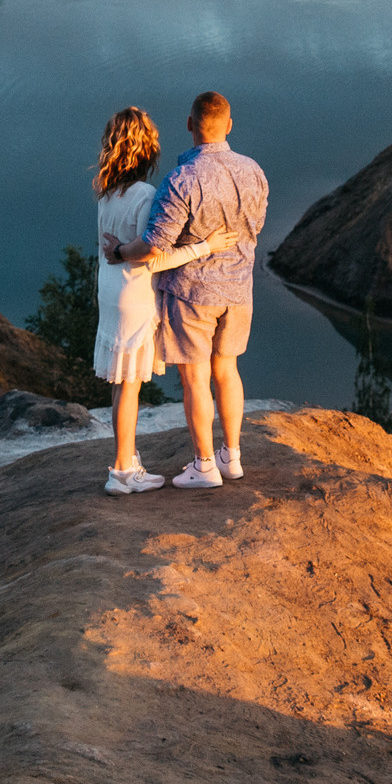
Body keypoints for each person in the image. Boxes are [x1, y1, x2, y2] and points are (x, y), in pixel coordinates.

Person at [91, 106, 239, 495]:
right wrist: (205, 246)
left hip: (109, 293)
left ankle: (126, 461)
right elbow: (153, 254)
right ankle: (123, 471)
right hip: (134, 296)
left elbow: (111, 249)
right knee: (132, 386)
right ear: (147, 149)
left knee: (123, 384)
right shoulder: (145, 194)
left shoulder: (107, 194)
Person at [144, 90, 268, 489]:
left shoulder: (182, 179)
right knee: (227, 370)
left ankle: (203, 466)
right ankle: (231, 457)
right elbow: (256, 227)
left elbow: (155, 245)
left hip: (191, 294)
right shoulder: (254, 172)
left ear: (189, 125)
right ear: (229, 126)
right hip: (238, 290)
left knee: (196, 380)